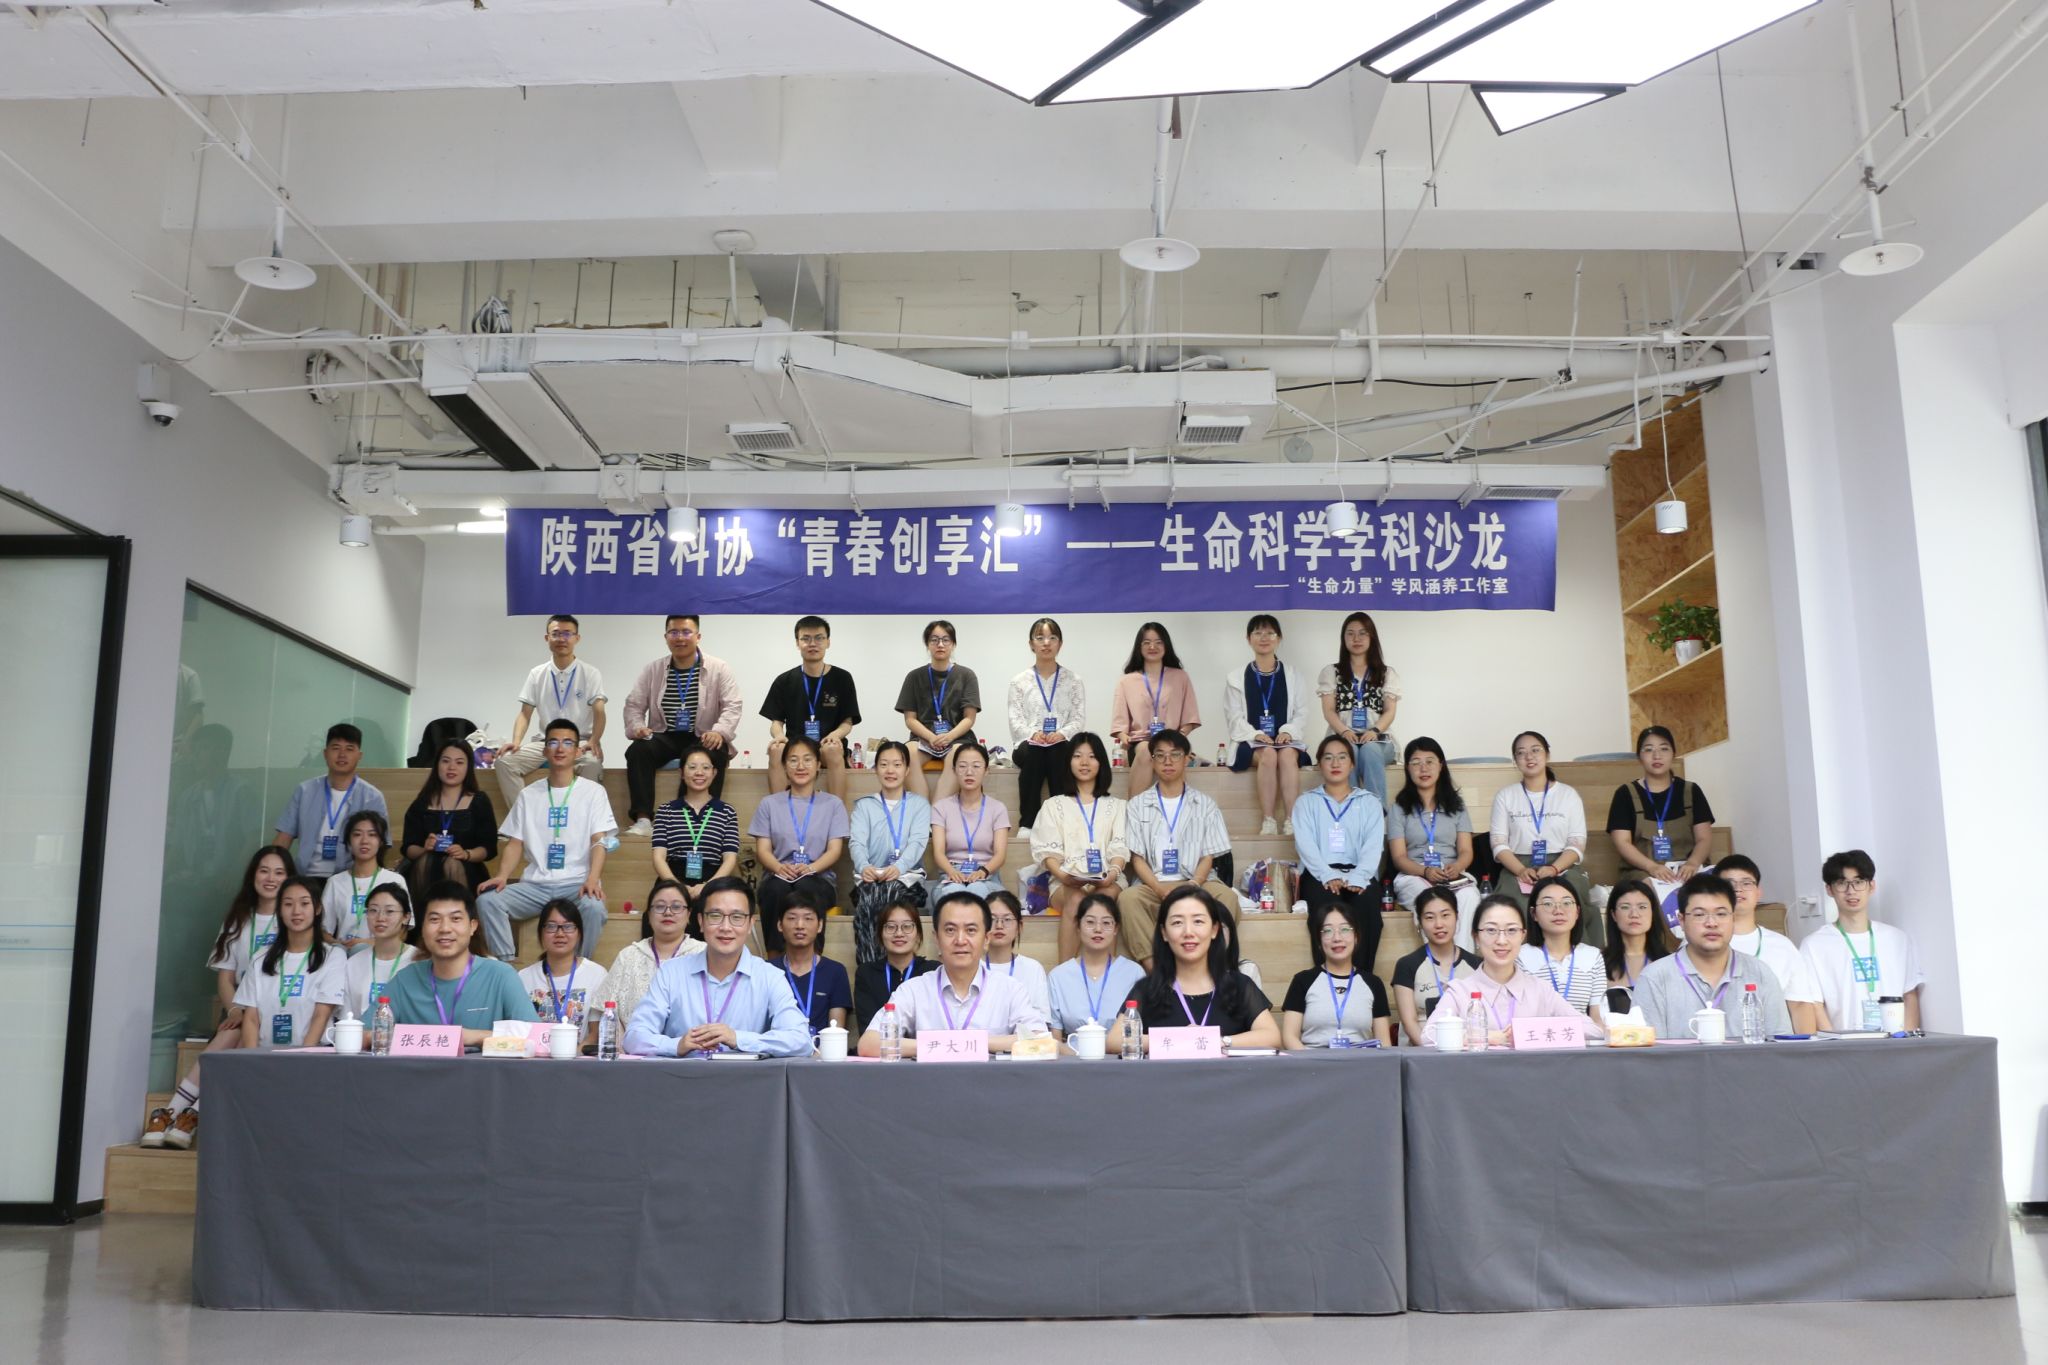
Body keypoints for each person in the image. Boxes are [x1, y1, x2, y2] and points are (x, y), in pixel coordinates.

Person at [145, 848, 297, 1149]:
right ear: (253, 875)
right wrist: (235, 1009)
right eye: (264, 870)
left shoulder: (292, 918)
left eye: (279, 872)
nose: (271, 878)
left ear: (289, 878)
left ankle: (178, 1112)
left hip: (275, 1007)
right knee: (236, 1029)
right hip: (238, 1006)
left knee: (239, 1034)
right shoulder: (238, 919)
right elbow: (225, 978)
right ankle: (184, 1117)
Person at [476, 718, 615, 960]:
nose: (560, 748)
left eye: (567, 743)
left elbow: (599, 841)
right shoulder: (528, 795)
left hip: (576, 884)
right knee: (488, 901)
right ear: (544, 751)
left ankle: (578, 967)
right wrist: (502, 876)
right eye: (553, 742)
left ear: (577, 751)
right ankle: (506, 966)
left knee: (594, 907)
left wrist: (593, 879)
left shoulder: (593, 792)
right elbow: (515, 842)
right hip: (535, 886)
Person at [625, 878, 811, 1057]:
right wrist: (676, 1045)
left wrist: (738, 1039)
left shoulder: (770, 977)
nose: (725, 927)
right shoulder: (670, 973)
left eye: (737, 917)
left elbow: (801, 1040)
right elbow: (634, 1038)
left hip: (745, 1078)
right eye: (715, 916)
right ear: (700, 921)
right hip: (683, 1076)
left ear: (750, 925)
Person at [858, 891, 1050, 1055]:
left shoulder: (1010, 990)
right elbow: (868, 1045)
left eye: (971, 930)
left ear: (986, 939)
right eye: (950, 930)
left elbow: (1042, 1042)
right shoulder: (914, 990)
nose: (960, 940)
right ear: (936, 938)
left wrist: (973, 1044)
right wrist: (943, 1045)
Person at [1109, 887, 1281, 1053]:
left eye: (1198, 921)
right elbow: (1115, 1040)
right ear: (1164, 933)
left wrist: (1217, 1041)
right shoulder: (1147, 989)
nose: (1188, 932)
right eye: (1177, 922)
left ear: (1214, 930)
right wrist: (1179, 1039)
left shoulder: (1239, 985)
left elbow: (1271, 1037)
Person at [1117, 728, 1234, 963]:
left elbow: (1208, 856)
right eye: (1160, 755)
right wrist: (1159, 889)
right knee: (1128, 899)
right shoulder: (1137, 805)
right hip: (1154, 884)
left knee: (1227, 897)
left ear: (1187, 759)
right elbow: (1137, 859)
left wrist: (1194, 884)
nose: (1167, 761)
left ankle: (1209, 966)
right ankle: (1155, 969)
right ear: (1152, 761)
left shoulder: (1205, 804)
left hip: (1197, 881)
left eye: (1175, 754)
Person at [622, 614, 743, 834]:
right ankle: (643, 819)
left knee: (716, 750)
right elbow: (633, 705)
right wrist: (637, 727)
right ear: (666, 637)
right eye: (674, 632)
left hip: (702, 735)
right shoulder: (653, 669)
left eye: (686, 632)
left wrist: (719, 732)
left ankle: (693, 818)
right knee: (638, 750)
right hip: (664, 734)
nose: (680, 638)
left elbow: (732, 705)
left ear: (698, 636)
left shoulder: (719, 668)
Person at [1632, 874, 1793, 1039]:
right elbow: (1647, 1050)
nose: (1711, 923)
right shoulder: (1655, 978)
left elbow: (1781, 1044)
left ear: (1733, 918)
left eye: (1721, 914)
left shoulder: (1759, 973)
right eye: (1699, 914)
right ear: (1682, 920)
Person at [1422, 894, 1589, 1046]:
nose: (1502, 941)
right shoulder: (1460, 991)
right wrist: (1483, 1037)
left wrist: (1531, 1031)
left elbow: (1593, 1030)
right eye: (1491, 930)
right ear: (1476, 937)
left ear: (1523, 936)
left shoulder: (1541, 990)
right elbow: (1428, 1036)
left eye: (1511, 930)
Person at [385, 882, 537, 1042]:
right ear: (422, 928)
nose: (445, 928)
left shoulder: (501, 976)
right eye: (434, 919)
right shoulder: (405, 979)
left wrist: (474, 1037)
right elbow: (371, 1032)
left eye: (455, 919)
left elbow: (534, 1036)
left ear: (473, 926)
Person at [1291, 737, 1389, 973]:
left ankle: (1362, 978)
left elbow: (1373, 846)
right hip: (1319, 875)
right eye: (1328, 757)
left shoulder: (1369, 802)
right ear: (1319, 764)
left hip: (1359, 874)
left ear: (1352, 764)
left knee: (1367, 906)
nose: (1335, 763)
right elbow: (1305, 845)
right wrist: (1327, 875)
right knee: (1324, 910)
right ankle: (1328, 977)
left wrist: (1360, 877)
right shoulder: (1306, 802)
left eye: (1342, 757)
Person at [1798, 849, 1924, 1032]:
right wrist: (1836, 1043)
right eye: (1842, 883)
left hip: (1895, 1042)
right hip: (1844, 1045)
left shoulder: (1897, 939)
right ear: (1829, 889)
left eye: (1858, 882)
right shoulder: (1814, 945)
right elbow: (1815, 1005)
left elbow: (1910, 995)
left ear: (1871, 886)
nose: (1851, 891)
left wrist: (1907, 1041)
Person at [1488, 730, 1595, 943]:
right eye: (1521, 753)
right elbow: (1498, 844)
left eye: (1535, 750)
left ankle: (1574, 954)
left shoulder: (1568, 795)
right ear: (1515, 760)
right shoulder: (1505, 796)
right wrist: (1521, 870)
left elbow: (1576, 843)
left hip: (1561, 865)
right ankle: (1520, 956)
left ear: (1547, 754)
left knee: (1569, 896)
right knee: (1510, 904)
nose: (1529, 757)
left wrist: (1554, 869)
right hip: (1518, 866)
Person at [1031, 734, 1130, 959]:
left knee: (1103, 901)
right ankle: (1063, 973)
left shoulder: (1117, 806)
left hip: (1108, 878)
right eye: (1077, 756)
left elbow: (1120, 846)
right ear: (1068, 762)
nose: (1084, 762)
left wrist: (1112, 874)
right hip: (1064, 879)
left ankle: (1106, 972)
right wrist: (1064, 876)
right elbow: (1048, 853)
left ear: (1101, 762)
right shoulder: (1053, 805)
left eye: (1092, 756)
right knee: (1076, 900)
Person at [494, 614, 606, 812]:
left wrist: (594, 740)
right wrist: (516, 742)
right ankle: (524, 818)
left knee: (592, 763)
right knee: (504, 761)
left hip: (579, 741)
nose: (562, 638)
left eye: (567, 633)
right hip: (545, 742)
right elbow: (525, 713)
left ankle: (581, 819)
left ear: (577, 638)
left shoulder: (590, 673)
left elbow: (599, 712)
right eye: (556, 634)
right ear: (547, 638)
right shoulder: (537, 673)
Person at [749, 735, 851, 949]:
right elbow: (763, 850)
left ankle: (813, 958)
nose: (801, 766)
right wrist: (779, 867)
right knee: (775, 889)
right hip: (778, 874)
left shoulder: (833, 804)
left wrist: (811, 868)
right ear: (785, 766)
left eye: (807, 759)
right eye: (793, 760)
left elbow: (834, 850)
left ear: (818, 765)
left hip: (819, 877)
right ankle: (775, 959)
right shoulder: (769, 804)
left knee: (806, 886)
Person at [1606, 725, 1717, 917]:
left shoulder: (1691, 791)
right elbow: (1622, 842)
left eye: (1664, 748)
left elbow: (1704, 838)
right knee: (1649, 890)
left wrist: (1692, 863)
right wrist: (1652, 867)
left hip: (1687, 867)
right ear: (1639, 757)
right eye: (1648, 749)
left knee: (1709, 888)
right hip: (1644, 870)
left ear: (1673, 753)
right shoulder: (1625, 794)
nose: (1657, 756)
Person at [1384, 737, 1481, 950]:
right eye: (1416, 762)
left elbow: (1466, 850)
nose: (1423, 768)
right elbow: (1399, 857)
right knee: (1430, 900)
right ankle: (1438, 961)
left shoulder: (1457, 805)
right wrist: (1425, 871)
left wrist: (1457, 867)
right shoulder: (1398, 808)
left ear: (1441, 765)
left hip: (1451, 875)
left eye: (1429, 761)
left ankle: (1462, 962)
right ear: (1407, 768)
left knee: (1470, 896)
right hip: (1414, 875)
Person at [235, 876, 348, 1051]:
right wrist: (252, 1058)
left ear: (318, 908)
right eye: (288, 904)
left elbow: (321, 1015)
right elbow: (251, 1018)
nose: (296, 911)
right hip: (266, 1055)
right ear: (279, 910)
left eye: (304, 904)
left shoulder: (333, 956)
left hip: (312, 1055)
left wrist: (301, 1058)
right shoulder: (260, 958)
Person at [1718, 854, 1825, 1033]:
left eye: (1746, 883)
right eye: (1729, 884)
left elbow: (1800, 1004)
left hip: (1773, 1043)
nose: (1738, 890)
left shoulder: (1782, 946)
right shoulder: (1703, 944)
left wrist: (1806, 1047)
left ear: (1758, 892)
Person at [1224, 614, 1310, 836]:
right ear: (1248, 639)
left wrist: (1288, 731)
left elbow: (1302, 712)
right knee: (1269, 754)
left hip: (1286, 741)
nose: (1264, 638)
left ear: (1279, 638)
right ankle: (1269, 820)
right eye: (1258, 633)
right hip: (1251, 742)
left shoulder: (1293, 675)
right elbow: (1234, 717)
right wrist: (1255, 734)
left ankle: (1291, 820)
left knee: (1287, 755)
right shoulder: (1236, 677)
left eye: (1270, 633)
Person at [761, 615, 861, 804]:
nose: (812, 643)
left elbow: (847, 722)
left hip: (826, 745)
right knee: (776, 749)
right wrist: (778, 736)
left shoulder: (842, 678)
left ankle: (837, 812)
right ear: (797, 643)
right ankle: (779, 811)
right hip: (795, 747)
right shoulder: (784, 680)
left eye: (819, 638)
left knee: (832, 749)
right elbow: (776, 722)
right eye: (806, 638)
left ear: (828, 642)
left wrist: (835, 735)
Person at [848, 740, 930, 964]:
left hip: (908, 880)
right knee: (872, 895)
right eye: (884, 764)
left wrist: (899, 868)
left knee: (888, 892)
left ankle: (884, 967)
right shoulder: (864, 805)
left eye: (897, 764)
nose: (890, 770)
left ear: (907, 769)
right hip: (870, 878)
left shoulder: (919, 805)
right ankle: (871, 970)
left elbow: (918, 842)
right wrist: (864, 866)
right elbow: (856, 843)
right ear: (875, 769)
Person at [272, 722, 388, 880]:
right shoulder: (305, 791)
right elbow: (283, 839)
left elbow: (380, 846)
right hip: (306, 879)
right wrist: (273, 873)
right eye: (336, 748)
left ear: (359, 756)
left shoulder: (372, 797)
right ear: (325, 754)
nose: (342, 754)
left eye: (349, 749)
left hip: (350, 880)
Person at [1008, 617, 1087, 832]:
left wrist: (1061, 734)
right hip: (1028, 745)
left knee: (1058, 751)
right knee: (1034, 752)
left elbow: (1078, 718)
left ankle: (1061, 822)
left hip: (1060, 744)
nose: (1046, 643)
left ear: (1060, 644)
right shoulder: (1019, 681)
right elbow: (1015, 720)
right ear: (1031, 644)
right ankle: (1028, 823)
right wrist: (1034, 734)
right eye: (1040, 638)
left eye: (1052, 638)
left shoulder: (1073, 680)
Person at [1282, 899, 1394, 1049]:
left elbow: (1384, 1042)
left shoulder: (1373, 983)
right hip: (1312, 1061)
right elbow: (1289, 1037)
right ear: (1319, 941)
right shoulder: (1303, 980)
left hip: (1361, 1061)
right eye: (1328, 930)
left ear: (1356, 936)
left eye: (1345, 929)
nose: (1337, 938)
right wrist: (1310, 1061)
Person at [1108, 621, 1202, 798]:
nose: (1153, 647)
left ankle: (1176, 810)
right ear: (1139, 647)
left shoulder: (1180, 677)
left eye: (1158, 642)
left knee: (1172, 752)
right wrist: (1124, 737)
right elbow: (1119, 723)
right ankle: (1133, 808)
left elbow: (1190, 716)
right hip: (1140, 742)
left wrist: (1181, 736)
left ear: (1166, 646)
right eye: (1147, 642)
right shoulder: (1126, 681)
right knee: (1145, 749)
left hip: (1172, 740)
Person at [1316, 611, 1402, 803]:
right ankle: (1350, 809)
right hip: (1342, 737)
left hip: (1379, 740)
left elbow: (1390, 711)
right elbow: (1329, 711)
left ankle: (1376, 811)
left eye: (1363, 633)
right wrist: (1345, 731)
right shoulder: (1331, 672)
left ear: (1372, 637)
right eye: (1351, 633)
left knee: (1369, 750)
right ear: (1343, 638)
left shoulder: (1386, 673)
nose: (1356, 638)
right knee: (1349, 752)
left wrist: (1374, 730)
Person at [397, 741, 498, 900]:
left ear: (468, 767)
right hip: (425, 867)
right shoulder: (422, 802)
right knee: (425, 863)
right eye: (445, 761)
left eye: (459, 762)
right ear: (437, 764)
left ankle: (458, 914)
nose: (452, 767)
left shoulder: (479, 801)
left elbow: (488, 848)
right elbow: (408, 847)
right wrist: (425, 849)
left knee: (452, 864)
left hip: (466, 868)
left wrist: (466, 854)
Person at [600, 879, 706, 1028]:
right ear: (649, 915)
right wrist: (624, 1041)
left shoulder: (704, 954)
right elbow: (605, 1012)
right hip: (632, 1042)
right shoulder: (629, 956)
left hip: (692, 1042)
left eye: (676, 907)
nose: (668, 912)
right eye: (660, 906)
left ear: (688, 914)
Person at [895, 619, 981, 801]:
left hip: (957, 738)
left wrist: (948, 737)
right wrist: (931, 737)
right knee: (906, 754)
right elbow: (910, 719)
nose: (940, 644)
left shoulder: (967, 675)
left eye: (945, 639)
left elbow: (969, 718)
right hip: (924, 738)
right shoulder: (914, 676)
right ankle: (922, 807)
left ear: (953, 644)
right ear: (927, 644)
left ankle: (937, 809)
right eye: (934, 640)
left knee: (959, 757)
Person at [1390, 885, 1481, 1046]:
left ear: (1457, 917)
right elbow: (1410, 1023)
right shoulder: (1407, 965)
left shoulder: (1476, 965)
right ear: (1419, 922)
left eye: (1445, 915)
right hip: (1420, 1052)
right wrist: (1434, 1054)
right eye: (1430, 917)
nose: (1439, 924)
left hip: (1465, 1052)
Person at [1046, 892, 1145, 1034]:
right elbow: (1055, 1037)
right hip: (1072, 1048)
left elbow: (1139, 1032)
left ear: (1116, 929)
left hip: (1121, 1048)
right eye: (1090, 922)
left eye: (1106, 923)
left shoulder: (1134, 973)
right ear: (1078, 926)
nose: (1098, 929)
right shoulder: (1058, 976)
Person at [651, 748, 740, 904]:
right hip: (672, 880)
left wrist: (707, 886)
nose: (699, 773)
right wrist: (678, 887)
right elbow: (658, 858)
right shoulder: (666, 811)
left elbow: (730, 859)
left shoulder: (727, 812)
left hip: (714, 881)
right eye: (692, 767)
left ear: (714, 773)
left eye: (706, 767)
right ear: (681, 773)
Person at [1516, 877, 1608, 1025]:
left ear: (1577, 912)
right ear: (1534, 914)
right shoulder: (1520, 956)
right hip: (1538, 1036)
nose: (1558, 911)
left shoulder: (1593, 956)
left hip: (1581, 1037)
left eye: (1566, 903)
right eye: (1548, 904)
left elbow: (1597, 1016)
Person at [929, 741, 1011, 904]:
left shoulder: (998, 808)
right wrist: (952, 872)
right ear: (954, 770)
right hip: (951, 875)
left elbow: (1000, 855)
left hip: (987, 875)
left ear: (986, 771)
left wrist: (983, 872)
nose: (969, 772)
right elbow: (938, 853)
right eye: (962, 766)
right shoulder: (941, 808)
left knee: (977, 889)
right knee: (952, 893)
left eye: (976, 766)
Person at [516, 898, 609, 1031]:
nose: (560, 933)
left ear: (579, 933)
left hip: (580, 1046)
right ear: (541, 933)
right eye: (551, 926)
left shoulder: (596, 975)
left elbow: (595, 1035)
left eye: (568, 927)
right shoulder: (524, 977)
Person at [769, 889, 853, 1036]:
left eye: (808, 918)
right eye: (792, 918)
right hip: (777, 1049)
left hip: (822, 1049)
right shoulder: (767, 970)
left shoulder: (835, 971)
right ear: (780, 925)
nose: (800, 925)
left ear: (820, 926)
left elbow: (836, 1032)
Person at [320, 810, 403, 955]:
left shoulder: (394, 880)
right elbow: (323, 931)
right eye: (357, 834)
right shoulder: (335, 882)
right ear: (348, 842)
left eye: (372, 835)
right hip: (344, 955)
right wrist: (339, 945)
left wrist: (369, 943)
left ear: (381, 842)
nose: (364, 840)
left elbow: (403, 930)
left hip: (382, 954)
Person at [343, 882, 421, 1022]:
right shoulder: (353, 964)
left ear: (406, 917)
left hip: (405, 1035)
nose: (380, 918)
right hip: (362, 1035)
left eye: (389, 911)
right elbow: (347, 1017)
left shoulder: (419, 961)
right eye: (373, 910)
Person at [853, 900, 936, 1031]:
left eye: (907, 926)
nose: (899, 933)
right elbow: (868, 1028)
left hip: (923, 1044)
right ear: (880, 934)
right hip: (877, 1043)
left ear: (918, 934)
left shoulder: (932, 972)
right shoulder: (867, 974)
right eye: (891, 927)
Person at [1600, 878, 1676, 1014]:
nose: (1634, 914)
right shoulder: (1598, 963)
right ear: (1613, 915)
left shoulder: (1671, 963)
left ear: (1653, 913)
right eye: (1625, 907)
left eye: (1642, 907)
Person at [981, 890, 1053, 1023]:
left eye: (1007, 919)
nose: (999, 925)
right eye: (992, 919)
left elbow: (1042, 1021)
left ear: (1019, 927)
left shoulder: (1033, 968)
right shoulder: (972, 967)